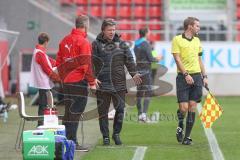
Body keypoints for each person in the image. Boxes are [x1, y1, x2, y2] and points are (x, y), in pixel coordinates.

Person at [92, 18, 142, 145]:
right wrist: (92, 78)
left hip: (119, 83)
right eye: (109, 30)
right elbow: (90, 62)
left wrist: (134, 73)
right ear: (103, 30)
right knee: (102, 113)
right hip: (102, 84)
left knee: (120, 110)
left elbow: (129, 60)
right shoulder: (95, 44)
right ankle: (105, 137)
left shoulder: (122, 44)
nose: (112, 32)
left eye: (114, 30)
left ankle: (116, 134)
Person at [56, 15, 99, 151]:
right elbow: (86, 65)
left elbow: (58, 62)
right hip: (78, 82)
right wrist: (92, 82)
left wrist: (64, 78)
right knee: (75, 112)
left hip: (66, 82)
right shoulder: (84, 42)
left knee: (68, 112)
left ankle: (65, 141)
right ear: (86, 26)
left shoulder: (64, 40)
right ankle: (72, 143)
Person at [171, 17, 208, 145]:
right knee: (183, 107)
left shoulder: (197, 41)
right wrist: (186, 74)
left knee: (192, 106)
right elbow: (177, 59)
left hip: (197, 76)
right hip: (183, 77)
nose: (199, 28)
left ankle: (187, 137)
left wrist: (205, 76)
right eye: (197, 26)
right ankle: (180, 122)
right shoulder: (177, 39)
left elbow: (199, 60)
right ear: (190, 26)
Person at [29, 32, 60, 126]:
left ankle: (42, 124)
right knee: (44, 106)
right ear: (46, 42)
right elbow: (48, 69)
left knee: (45, 106)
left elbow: (50, 62)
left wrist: (60, 63)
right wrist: (59, 79)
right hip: (44, 84)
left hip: (43, 84)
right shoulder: (40, 53)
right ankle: (41, 125)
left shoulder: (39, 52)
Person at [134, 27, 162, 122]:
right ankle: (144, 115)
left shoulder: (136, 44)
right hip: (146, 71)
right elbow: (151, 58)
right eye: (149, 31)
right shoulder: (145, 44)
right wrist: (158, 58)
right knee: (148, 92)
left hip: (138, 70)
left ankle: (139, 115)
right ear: (146, 33)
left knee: (139, 93)